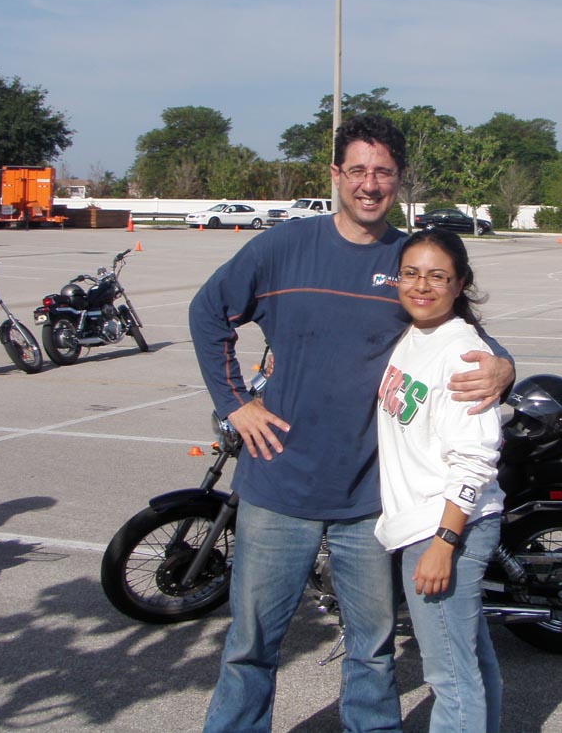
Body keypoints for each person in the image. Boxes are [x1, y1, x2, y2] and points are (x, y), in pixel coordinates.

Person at [189, 113, 514, 733]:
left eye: (383, 172)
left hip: (368, 500)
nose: (370, 184)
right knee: (250, 647)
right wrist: (235, 402)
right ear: (336, 174)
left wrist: (504, 367)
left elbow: (465, 335)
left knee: (372, 650)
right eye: (358, 170)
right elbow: (208, 313)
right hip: (278, 486)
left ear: (399, 178)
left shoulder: (410, 261)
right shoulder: (283, 247)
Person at [376, 229, 503, 733]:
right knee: (470, 661)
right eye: (411, 274)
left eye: (437, 276)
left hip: (444, 526)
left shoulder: (463, 355)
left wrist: (443, 543)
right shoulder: (415, 334)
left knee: (449, 677)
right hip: (427, 523)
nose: (421, 286)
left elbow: (475, 459)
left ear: (460, 283)